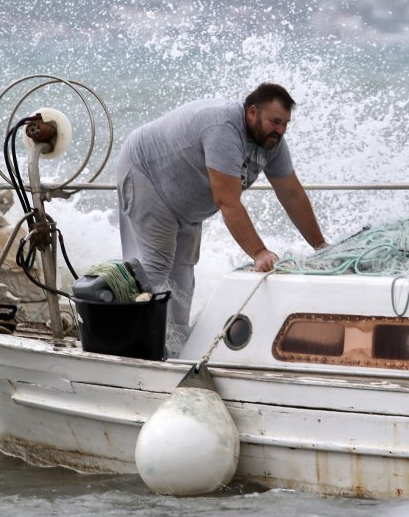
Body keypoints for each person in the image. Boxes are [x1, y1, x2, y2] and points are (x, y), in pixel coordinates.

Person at [116, 82, 327, 352]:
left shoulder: (272, 142)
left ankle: (174, 349)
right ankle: (137, 348)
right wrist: (260, 252)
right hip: (146, 173)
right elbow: (227, 202)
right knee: (156, 266)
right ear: (252, 112)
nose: (281, 130)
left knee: (183, 271)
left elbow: (292, 195)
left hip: (184, 198)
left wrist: (320, 246)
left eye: (286, 124)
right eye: (275, 121)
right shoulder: (225, 129)